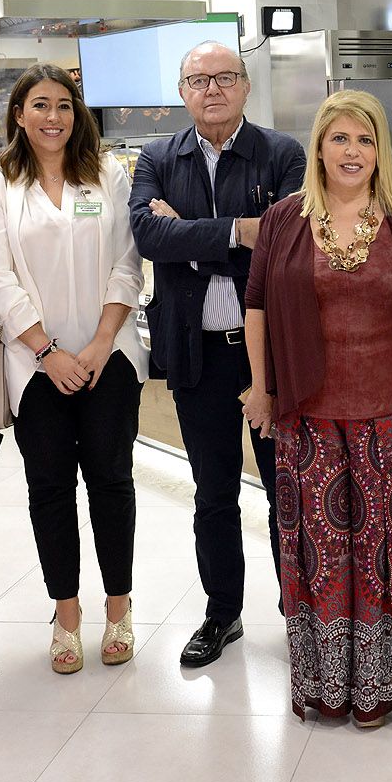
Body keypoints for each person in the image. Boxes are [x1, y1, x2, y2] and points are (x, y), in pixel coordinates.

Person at [244, 89, 392, 730]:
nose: (352, 151)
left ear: (381, 150)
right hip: (307, 418)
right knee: (324, 555)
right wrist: (260, 387)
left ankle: (390, 686)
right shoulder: (283, 220)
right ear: (318, 148)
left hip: (391, 419)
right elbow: (257, 305)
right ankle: (330, 686)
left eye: (365, 139)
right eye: (339, 138)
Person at [129, 41, 305, 669]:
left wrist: (191, 237)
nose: (212, 89)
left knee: (288, 491)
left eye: (225, 77)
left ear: (246, 86)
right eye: (199, 80)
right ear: (182, 91)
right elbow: (148, 236)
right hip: (196, 354)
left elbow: (286, 244)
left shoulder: (282, 154)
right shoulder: (157, 157)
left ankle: (300, 613)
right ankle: (222, 612)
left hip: (271, 358)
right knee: (213, 493)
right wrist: (237, 231)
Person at [0, 64, 146, 674]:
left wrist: (99, 343)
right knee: (49, 489)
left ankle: (119, 607)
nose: (54, 117)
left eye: (65, 105)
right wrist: (47, 352)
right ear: (19, 115)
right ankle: (66, 613)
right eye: (41, 105)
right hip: (34, 365)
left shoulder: (108, 174)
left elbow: (128, 263)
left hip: (109, 357)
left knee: (111, 482)